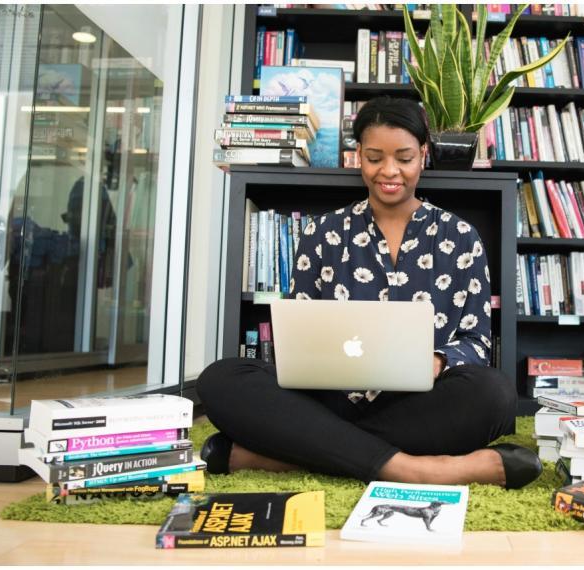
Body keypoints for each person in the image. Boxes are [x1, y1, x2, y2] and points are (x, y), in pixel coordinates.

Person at [197, 96, 543, 489]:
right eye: (375, 157)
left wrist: (435, 361)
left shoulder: (460, 237)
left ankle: (291, 454)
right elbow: (299, 332)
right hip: (327, 399)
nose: (389, 171)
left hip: (420, 403)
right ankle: (420, 469)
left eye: (405, 157)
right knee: (220, 379)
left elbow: (477, 342)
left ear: (424, 155)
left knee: (495, 394)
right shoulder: (322, 233)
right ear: (358, 154)